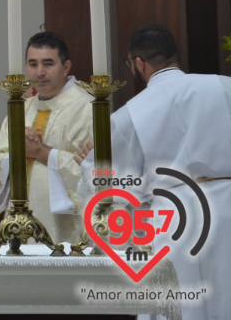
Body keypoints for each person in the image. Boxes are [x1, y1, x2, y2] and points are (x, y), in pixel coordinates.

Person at [78, 24, 231, 320]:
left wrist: (89, 162)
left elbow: (113, 184)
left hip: (178, 219)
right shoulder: (224, 86)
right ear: (174, 55)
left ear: (139, 63)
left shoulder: (133, 112)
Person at [0, 31, 93, 243]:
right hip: (17, 225)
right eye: (32, 64)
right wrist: (16, 152)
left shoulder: (87, 109)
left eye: (48, 64)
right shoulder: (22, 109)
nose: (39, 72)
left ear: (66, 67)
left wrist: (41, 152)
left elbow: (95, 175)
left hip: (64, 230)